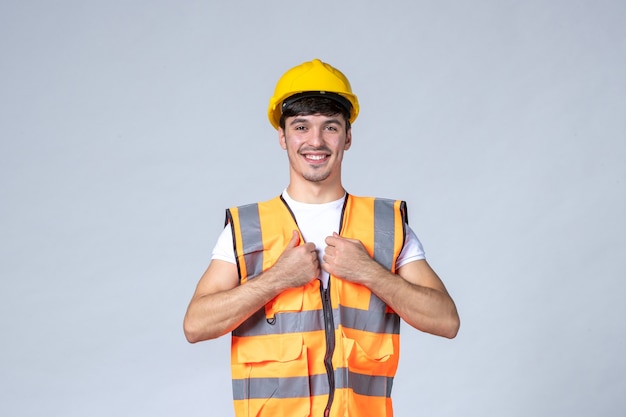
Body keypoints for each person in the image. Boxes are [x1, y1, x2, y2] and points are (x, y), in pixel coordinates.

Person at [183, 58, 460, 417]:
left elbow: (446, 321)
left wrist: (370, 272)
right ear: (282, 137)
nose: (316, 141)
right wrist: (278, 279)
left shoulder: (385, 226)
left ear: (348, 137)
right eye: (301, 127)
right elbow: (195, 325)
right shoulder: (248, 228)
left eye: (330, 127)